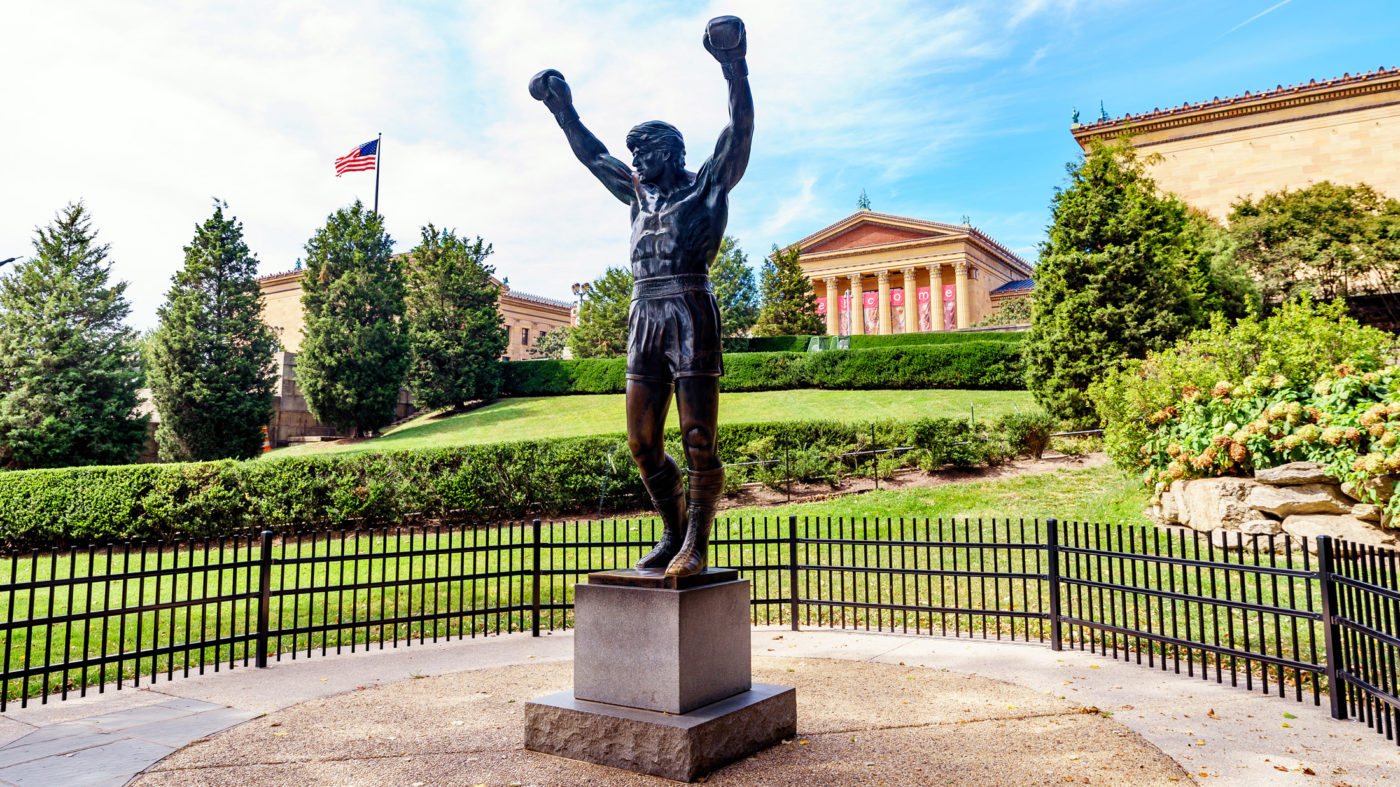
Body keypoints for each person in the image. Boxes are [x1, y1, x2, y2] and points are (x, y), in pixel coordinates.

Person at [530, 15, 753, 577]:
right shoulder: (636, 194)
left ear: (671, 152)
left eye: (645, 151)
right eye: (634, 153)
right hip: (643, 311)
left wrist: (733, 64)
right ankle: (673, 532)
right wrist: (564, 112)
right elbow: (592, 155)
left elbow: (740, 128)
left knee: (698, 436)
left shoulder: (706, 185)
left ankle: (696, 546)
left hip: (689, 308)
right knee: (641, 443)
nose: (635, 161)